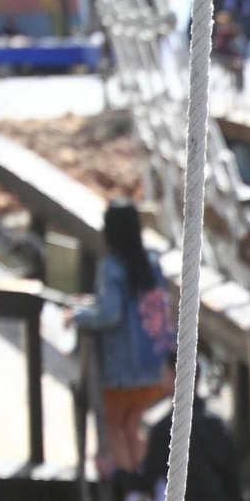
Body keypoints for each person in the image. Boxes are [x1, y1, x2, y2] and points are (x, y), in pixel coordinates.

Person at [72, 200, 172, 475]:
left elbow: (111, 314)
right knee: (132, 427)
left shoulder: (111, 266)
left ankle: (127, 490)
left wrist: (78, 316)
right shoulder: (151, 261)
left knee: (113, 427)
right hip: (151, 365)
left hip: (121, 371)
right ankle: (145, 486)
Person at [128, 353, 240, 501]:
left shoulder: (163, 430)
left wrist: (114, 473)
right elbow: (232, 476)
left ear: (174, 377)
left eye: (164, 373)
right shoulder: (216, 424)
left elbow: (145, 480)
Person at [213, 11, 247, 91]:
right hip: (220, 56)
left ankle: (237, 89)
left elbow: (236, 43)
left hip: (231, 56)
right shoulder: (218, 30)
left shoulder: (232, 29)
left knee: (233, 75)